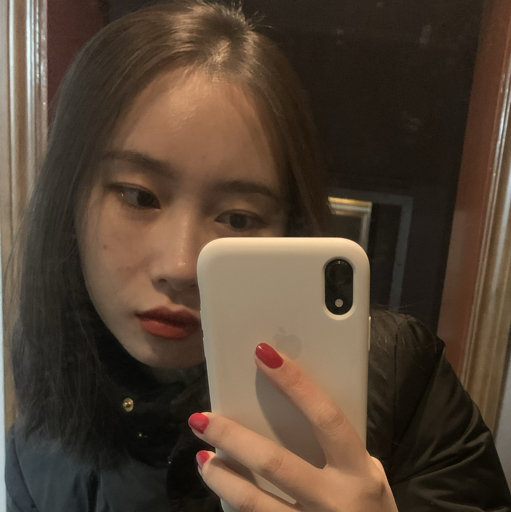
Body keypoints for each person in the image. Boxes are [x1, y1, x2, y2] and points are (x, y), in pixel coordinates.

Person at [5, 1, 511, 511]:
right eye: (140, 196)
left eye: (238, 218)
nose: (181, 267)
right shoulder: (35, 459)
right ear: (69, 199)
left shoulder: (403, 379)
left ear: (289, 228)